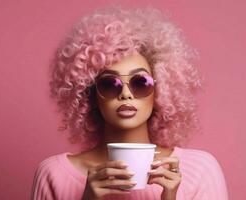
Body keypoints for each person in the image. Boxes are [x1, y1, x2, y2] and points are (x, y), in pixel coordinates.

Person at [31, 6, 228, 200]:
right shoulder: (54, 174)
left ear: (160, 91)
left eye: (140, 83)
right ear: (90, 95)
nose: (126, 94)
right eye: (110, 84)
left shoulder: (200, 171)